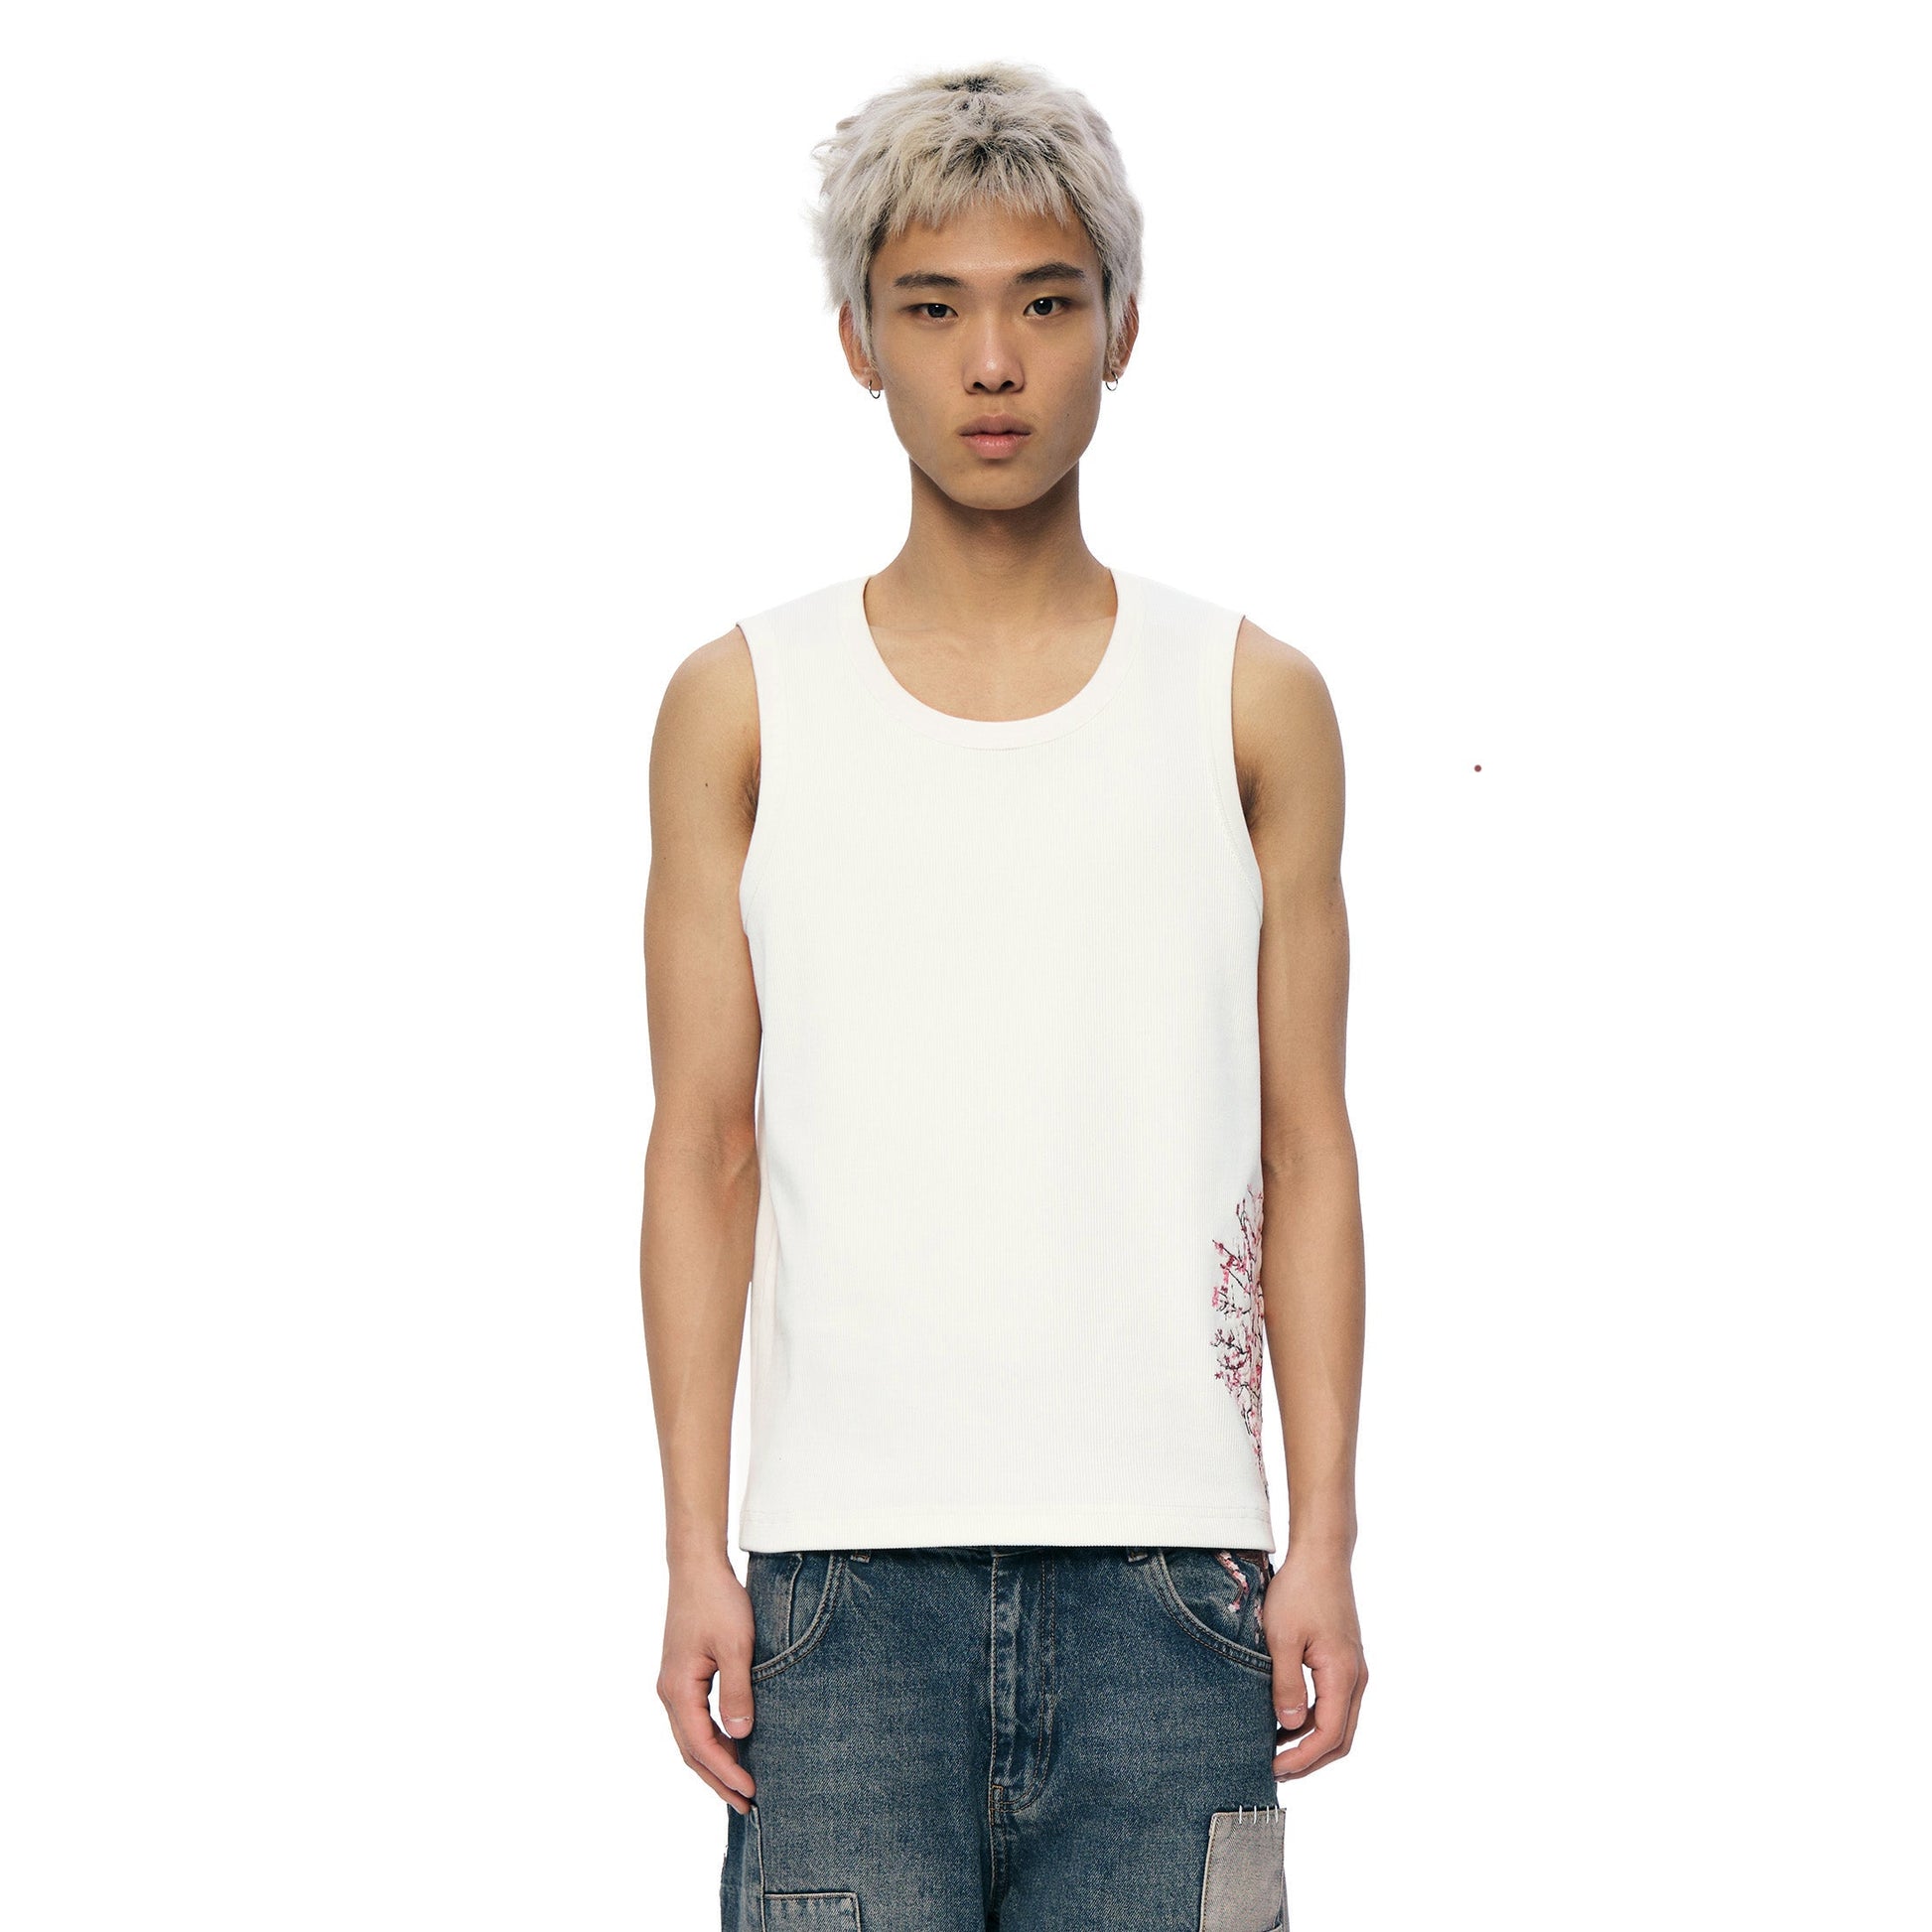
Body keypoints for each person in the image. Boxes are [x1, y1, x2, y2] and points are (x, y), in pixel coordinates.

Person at [640, 60, 1367, 1931]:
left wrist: (1325, 1537)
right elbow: (703, 1149)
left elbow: (1306, 1143)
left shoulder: (1248, 699)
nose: (990, 363)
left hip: (1173, 1588)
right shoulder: (742, 704)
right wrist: (694, 1545)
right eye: (931, 308)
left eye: (1044, 302)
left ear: (1120, 327)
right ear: (855, 342)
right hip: (837, 1593)